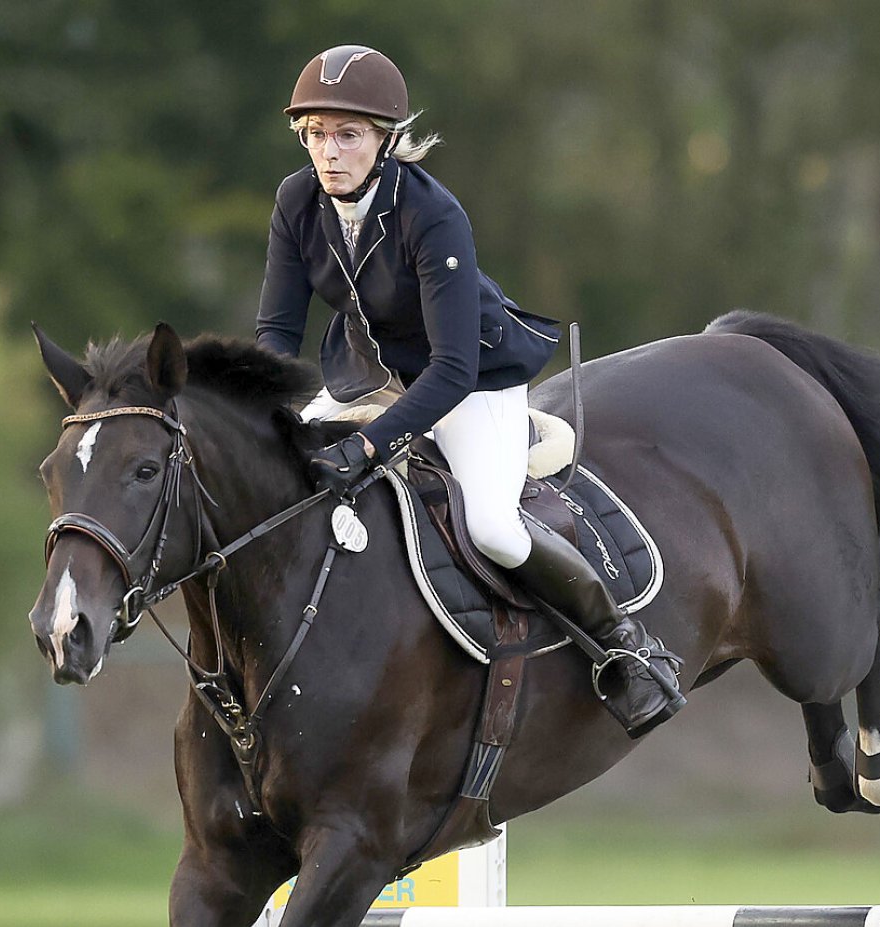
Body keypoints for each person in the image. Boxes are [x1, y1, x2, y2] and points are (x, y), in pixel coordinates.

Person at [254, 44, 684, 735]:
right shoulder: (296, 199)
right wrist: (262, 415)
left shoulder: (432, 213)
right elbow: (275, 331)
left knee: (491, 526)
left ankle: (627, 649)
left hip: (470, 380)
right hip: (368, 375)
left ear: (387, 141)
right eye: (314, 134)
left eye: (348, 135)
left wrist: (367, 446)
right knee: (266, 476)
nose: (328, 153)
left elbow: (451, 369)